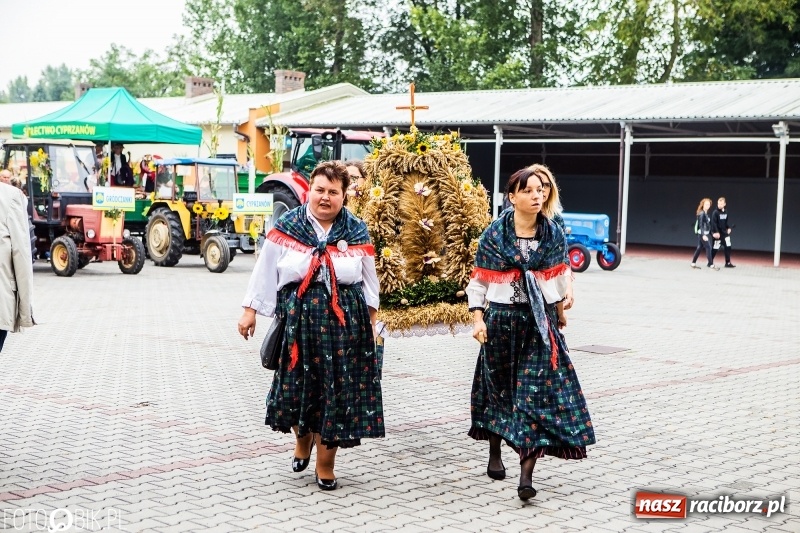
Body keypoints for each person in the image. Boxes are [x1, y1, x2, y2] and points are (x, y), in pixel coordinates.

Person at [237, 160, 383, 491]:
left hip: (343, 324)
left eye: (333, 192)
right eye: (319, 190)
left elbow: (368, 280)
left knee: (335, 392)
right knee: (297, 388)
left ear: (344, 195)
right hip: (298, 321)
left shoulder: (356, 229)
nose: (325, 197)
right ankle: (302, 440)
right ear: (309, 192)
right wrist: (249, 311)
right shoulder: (288, 225)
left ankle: (325, 465)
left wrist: (371, 322)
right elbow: (265, 270)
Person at [466, 167, 595, 501]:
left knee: (532, 397)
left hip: (539, 324)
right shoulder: (494, 235)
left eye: (540, 189)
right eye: (528, 190)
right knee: (498, 391)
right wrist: (478, 319)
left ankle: (526, 476)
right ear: (512, 197)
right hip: (500, 322)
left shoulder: (553, 234)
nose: (537, 195)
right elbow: (479, 282)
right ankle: (495, 450)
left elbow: (559, 277)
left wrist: (561, 311)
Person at [527, 164, 574, 310]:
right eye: (538, 184)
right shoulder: (510, 217)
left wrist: (568, 288)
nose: (542, 189)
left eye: (546, 185)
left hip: (550, 288)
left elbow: (563, 257)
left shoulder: (556, 219)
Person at [0, 180, 36, 352]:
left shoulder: (10, 197)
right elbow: (22, 255)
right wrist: (25, 311)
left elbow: (21, 255)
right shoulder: (10, 197)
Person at [691, 198, 719, 270]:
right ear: (703, 205)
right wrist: (703, 235)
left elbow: (708, 226)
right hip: (701, 234)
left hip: (704, 234)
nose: (707, 206)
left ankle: (693, 263)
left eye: (709, 204)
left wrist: (712, 234)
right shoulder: (701, 213)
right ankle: (711, 265)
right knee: (708, 247)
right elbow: (700, 225)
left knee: (699, 248)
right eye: (706, 204)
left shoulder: (706, 214)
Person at [711, 197, 735, 268]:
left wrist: (728, 228)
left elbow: (725, 222)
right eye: (718, 203)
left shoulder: (726, 212)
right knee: (715, 248)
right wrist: (716, 232)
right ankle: (710, 261)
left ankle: (727, 263)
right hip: (717, 234)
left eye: (721, 204)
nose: (719, 205)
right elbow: (714, 223)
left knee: (728, 246)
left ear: (724, 204)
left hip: (724, 233)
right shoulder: (715, 212)